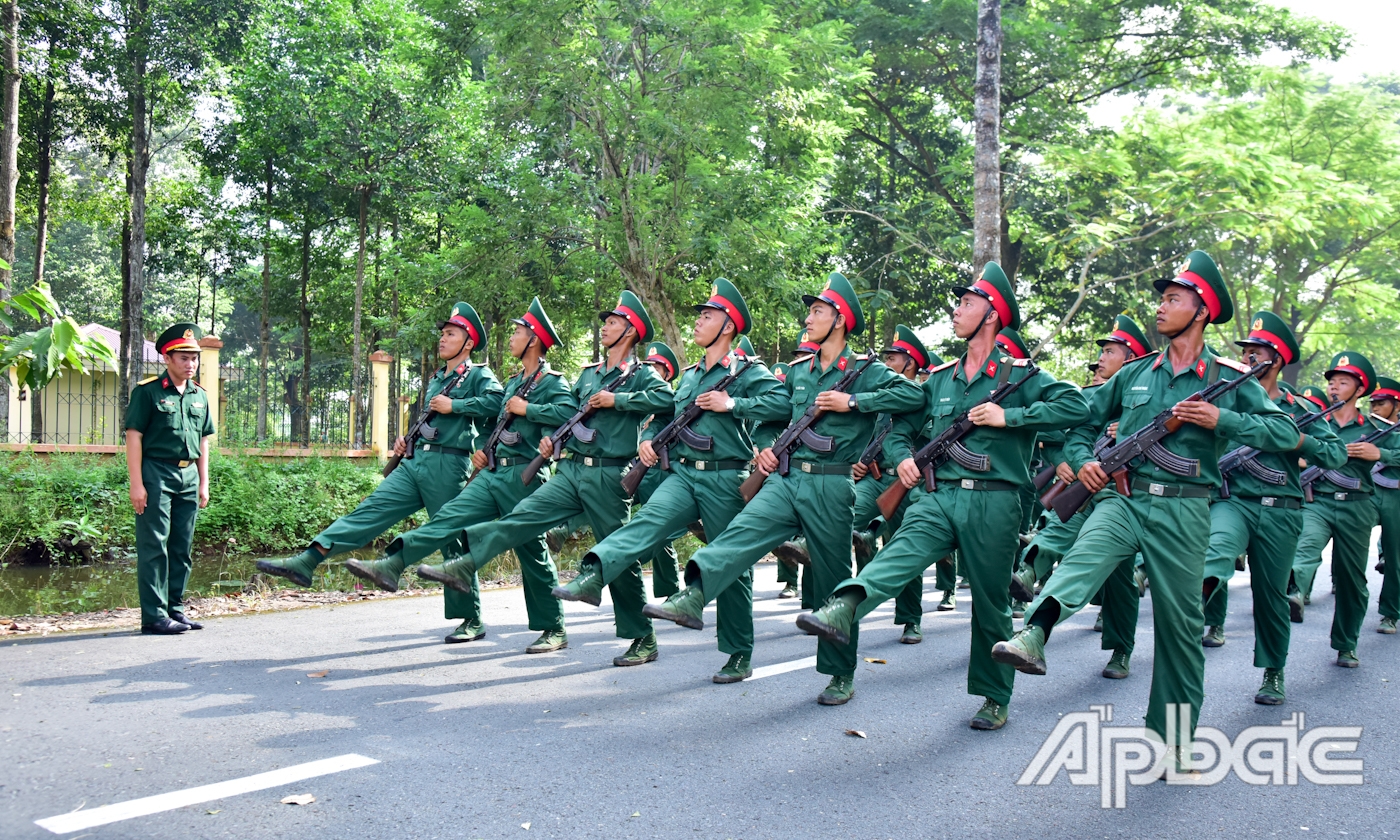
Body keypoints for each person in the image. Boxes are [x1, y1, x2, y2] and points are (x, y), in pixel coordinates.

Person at [992, 251, 1299, 762]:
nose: (1161, 307)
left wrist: (1220, 420)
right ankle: (1034, 634)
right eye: (1162, 299)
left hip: (1185, 511)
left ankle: (1175, 740)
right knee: (1084, 558)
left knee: (1180, 630)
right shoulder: (1135, 373)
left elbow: (1285, 433)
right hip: (1125, 498)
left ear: (1202, 311)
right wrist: (1084, 462)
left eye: (1173, 299)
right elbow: (1082, 419)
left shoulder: (1228, 380)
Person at [797, 263, 1089, 728]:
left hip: (994, 501)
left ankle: (994, 698)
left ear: (991, 316)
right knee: (897, 556)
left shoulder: (1021, 377)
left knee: (991, 605)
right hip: (938, 496)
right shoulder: (940, 379)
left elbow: (1077, 405)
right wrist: (903, 459)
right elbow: (900, 428)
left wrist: (1010, 417)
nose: (956, 311)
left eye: (967, 304)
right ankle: (843, 607)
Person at [644, 272, 925, 704]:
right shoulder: (798, 372)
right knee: (740, 535)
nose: (808, 319)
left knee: (832, 580)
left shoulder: (866, 372)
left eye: (818, 312)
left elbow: (914, 399)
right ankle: (694, 595)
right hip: (785, 478)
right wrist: (766, 447)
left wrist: (854, 402)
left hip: (831, 484)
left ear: (840, 320)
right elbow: (773, 415)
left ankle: (840, 673)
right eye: (809, 312)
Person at [419, 291, 674, 666]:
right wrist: (552, 438)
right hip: (570, 469)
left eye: (613, 323)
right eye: (606, 322)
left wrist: (617, 401)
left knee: (617, 556)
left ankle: (643, 637)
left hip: (609, 474)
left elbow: (667, 402)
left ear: (631, 332)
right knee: (522, 518)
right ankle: (465, 563)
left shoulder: (643, 375)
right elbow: (567, 415)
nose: (605, 327)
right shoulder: (589, 374)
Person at [555, 278, 788, 682]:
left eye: (707, 316)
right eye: (699, 316)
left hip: (725, 477)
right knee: (647, 523)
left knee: (729, 564)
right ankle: (594, 574)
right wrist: (648, 439)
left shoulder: (747, 371)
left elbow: (782, 403)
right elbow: (666, 414)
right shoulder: (692, 375)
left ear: (728, 326)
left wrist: (733, 403)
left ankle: (738, 653)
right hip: (682, 473)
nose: (697, 322)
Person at [256, 303, 513, 643]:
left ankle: (471, 618)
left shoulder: (478, 375)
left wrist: (457, 405)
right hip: (414, 462)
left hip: (448, 466)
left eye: (451, 334)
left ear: (468, 343)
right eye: (442, 333)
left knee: (450, 538)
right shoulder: (438, 378)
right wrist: (407, 440)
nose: (442, 338)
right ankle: (308, 559)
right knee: (371, 510)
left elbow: (498, 404)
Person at [340, 298, 578, 651]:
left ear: (534, 340)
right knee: (449, 520)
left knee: (531, 552)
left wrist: (529, 409)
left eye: (517, 332)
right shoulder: (514, 382)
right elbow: (492, 424)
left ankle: (553, 628)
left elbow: (569, 413)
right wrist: (482, 447)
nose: (512, 337)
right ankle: (393, 564)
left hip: (524, 479)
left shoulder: (551, 382)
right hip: (492, 472)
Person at [1199, 313, 1346, 704]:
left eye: (1256, 352)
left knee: (1271, 598)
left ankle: (1273, 672)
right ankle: (1194, 606)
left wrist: (1299, 442)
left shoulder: (1299, 410)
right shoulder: (1222, 400)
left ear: (1276, 360)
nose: (1246, 358)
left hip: (1281, 510)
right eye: (1244, 351)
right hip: (1234, 502)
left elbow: (1335, 454)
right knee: (1217, 548)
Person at [1009, 313, 1152, 680]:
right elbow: (1058, 438)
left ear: (1132, 360)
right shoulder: (1088, 397)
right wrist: (1066, 463)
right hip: (1085, 488)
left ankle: (1121, 648)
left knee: (1119, 579)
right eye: (1102, 352)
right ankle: (1028, 575)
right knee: (1055, 525)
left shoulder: (1149, 403)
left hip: (1123, 497)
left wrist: (1128, 429)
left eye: (1110, 352)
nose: (1101, 359)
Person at [1288, 351, 1400, 667]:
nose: (1334, 387)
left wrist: (1379, 453)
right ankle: (1294, 591)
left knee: (1352, 581)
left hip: (1357, 506)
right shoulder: (1314, 424)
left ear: (1360, 390)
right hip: (1319, 501)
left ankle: (1346, 644)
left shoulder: (1377, 428)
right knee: (1306, 546)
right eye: (1332, 382)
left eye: (1343, 382)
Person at [849, 326, 940, 644]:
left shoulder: (926, 400)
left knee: (906, 550)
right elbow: (865, 437)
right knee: (843, 515)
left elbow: (933, 442)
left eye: (893, 359)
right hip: (874, 479)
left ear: (910, 363)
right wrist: (857, 461)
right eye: (886, 358)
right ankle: (844, 604)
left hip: (908, 484)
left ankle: (911, 619)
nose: (886, 364)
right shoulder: (882, 401)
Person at [125, 323, 216, 635]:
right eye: (184, 358)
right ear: (167, 358)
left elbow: (203, 441)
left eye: (194, 358)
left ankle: (175, 609)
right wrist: (137, 483)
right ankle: (154, 616)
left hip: (188, 475)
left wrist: (203, 482)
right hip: (156, 473)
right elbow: (134, 436)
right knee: (154, 545)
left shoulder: (199, 396)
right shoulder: (148, 392)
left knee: (181, 546)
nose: (191, 364)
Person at [1369, 377, 1400, 635]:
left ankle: (1390, 613)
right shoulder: (1366, 427)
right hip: (1368, 492)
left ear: (1397, 405)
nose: (1376, 408)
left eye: (1382, 403)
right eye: (1373, 403)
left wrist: (1382, 454)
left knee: (1395, 558)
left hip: (1396, 498)